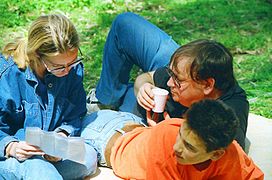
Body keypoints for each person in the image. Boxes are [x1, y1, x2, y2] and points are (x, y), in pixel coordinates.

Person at [89, 12, 249, 150]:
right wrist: (144, 86)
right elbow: (148, 77)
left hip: (153, 122)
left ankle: (112, 100)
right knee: (125, 24)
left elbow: (219, 159)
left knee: (122, 106)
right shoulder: (183, 77)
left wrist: (164, 133)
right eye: (172, 75)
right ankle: (105, 98)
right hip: (181, 77)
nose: (170, 83)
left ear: (207, 85)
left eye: (177, 80)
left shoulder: (227, 115)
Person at [0, 14, 97, 179]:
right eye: (59, 66)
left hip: (47, 149)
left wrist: (62, 137)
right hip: (14, 154)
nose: (67, 71)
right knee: (41, 170)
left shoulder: (72, 70)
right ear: (37, 56)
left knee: (88, 157)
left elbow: (75, 115)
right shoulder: (7, 75)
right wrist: (11, 147)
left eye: (72, 62)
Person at [81, 99, 263, 179]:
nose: (177, 148)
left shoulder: (231, 153)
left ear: (216, 154)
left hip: (136, 128)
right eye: (181, 134)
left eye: (190, 147)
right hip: (101, 137)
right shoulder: (166, 144)